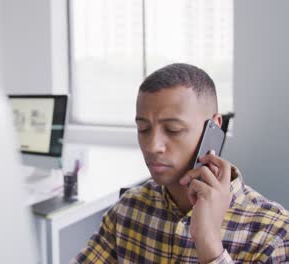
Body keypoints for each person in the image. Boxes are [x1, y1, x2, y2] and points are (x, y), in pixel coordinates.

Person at [73, 63, 288, 263]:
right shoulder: (127, 210)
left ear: (214, 128)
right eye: (143, 129)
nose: (152, 146)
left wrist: (210, 244)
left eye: (173, 130)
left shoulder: (274, 235)